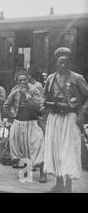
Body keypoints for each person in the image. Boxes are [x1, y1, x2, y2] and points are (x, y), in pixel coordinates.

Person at [43, 47, 88, 193]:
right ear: (56, 63)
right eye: (60, 62)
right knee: (55, 149)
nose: (62, 65)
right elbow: (44, 95)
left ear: (70, 63)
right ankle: (58, 184)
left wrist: (82, 113)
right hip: (54, 117)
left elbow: (86, 96)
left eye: (65, 62)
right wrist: (43, 107)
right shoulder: (50, 78)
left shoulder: (77, 78)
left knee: (68, 151)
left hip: (69, 117)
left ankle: (68, 186)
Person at [3, 69, 47, 183]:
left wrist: (26, 95)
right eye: (20, 80)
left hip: (33, 122)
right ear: (17, 81)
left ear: (28, 79)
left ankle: (43, 173)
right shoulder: (14, 91)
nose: (22, 82)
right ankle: (26, 172)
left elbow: (38, 107)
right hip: (19, 123)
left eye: (24, 79)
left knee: (38, 147)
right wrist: (13, 116)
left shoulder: (35, 90)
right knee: (23, 149)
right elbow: (6, 105)